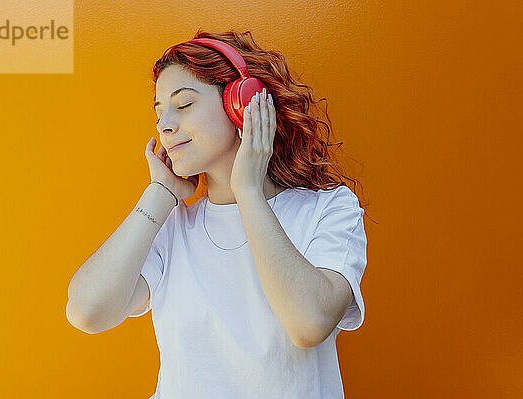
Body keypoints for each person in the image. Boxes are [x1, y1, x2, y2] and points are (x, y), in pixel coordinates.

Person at [66, 30, 369, 398]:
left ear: (242, 103)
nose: (165, 124)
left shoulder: (329, 208)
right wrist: (160, 194)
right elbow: (86, 312)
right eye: (160, 110)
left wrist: (248, 191)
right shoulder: (174, 227)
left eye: (183, 104)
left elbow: (309, 323)